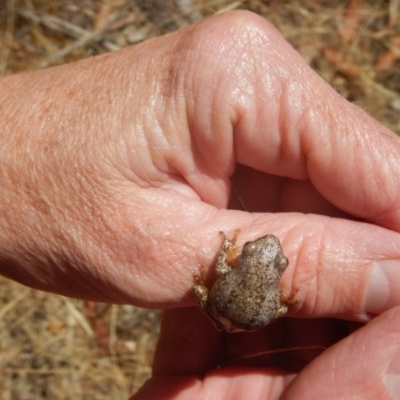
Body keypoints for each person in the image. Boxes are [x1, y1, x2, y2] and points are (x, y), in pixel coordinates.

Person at [1, 10, 400, 399]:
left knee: (234, 301)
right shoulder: (262, 278)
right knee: (251, 308)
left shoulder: (243, 266)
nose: (271, 253)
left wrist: (231, 258)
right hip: (246, 313)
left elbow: (225, 263)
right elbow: (244, 280)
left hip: (236, 305)